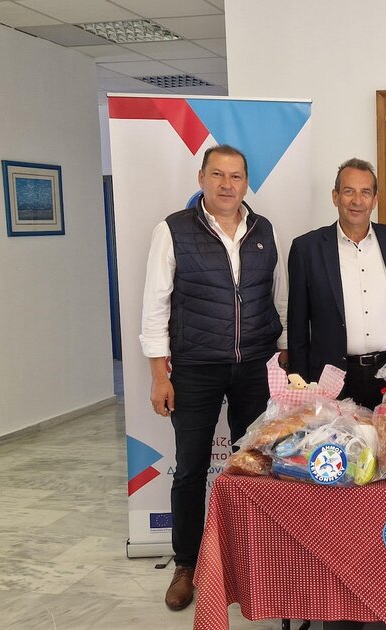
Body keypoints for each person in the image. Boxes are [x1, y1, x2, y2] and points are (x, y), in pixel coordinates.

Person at [139, 144, 288, 611]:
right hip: (195, 368)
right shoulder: (174, 230)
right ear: (201, 178)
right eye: (218, 175)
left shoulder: (264, 230)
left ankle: (252, 559)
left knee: (256, 465)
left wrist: (283, 356)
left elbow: (278, 298)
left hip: (254, 366)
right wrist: (159, 375)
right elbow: (155, 306)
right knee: (190, 468)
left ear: (246, 182)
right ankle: (187, 564)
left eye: (236, 176)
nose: (227, 184)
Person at [288, 158, 386, 410]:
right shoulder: (307, 249)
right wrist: (300, 384)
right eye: (349, 191)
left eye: (365, 192)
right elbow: (297, 325)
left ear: (375, 199)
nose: (357, 201)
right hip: (331, 379)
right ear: (335, 196)